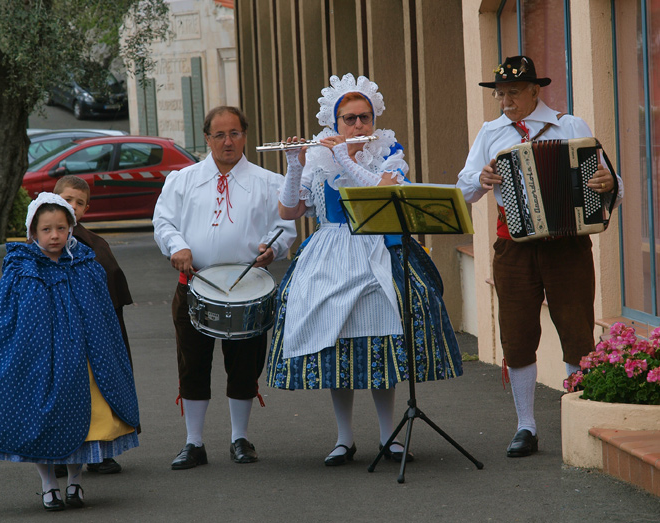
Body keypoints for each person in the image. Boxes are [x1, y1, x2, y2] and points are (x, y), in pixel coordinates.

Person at [267, 73, 463, 466]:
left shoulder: (389, 150)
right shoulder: (317, 159)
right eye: (349, 119)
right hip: (330, 248)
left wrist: (344, 158)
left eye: (364, 117)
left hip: (377, 246)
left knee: (380, 341)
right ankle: (344, 438)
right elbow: (289, 210)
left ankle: (389, 435)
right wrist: (294, 164)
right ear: (334, 123)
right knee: (337, 341)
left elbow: (384, 192)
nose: (358, 126)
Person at [456, 55, 623, 458]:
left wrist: (606, 182)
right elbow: (463, 190)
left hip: (567, 246)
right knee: (516, 335)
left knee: (577, 332)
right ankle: (526, 426)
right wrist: (480, 179)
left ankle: (575, 420)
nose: (505, 101)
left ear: (535, 90)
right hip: (514, 247)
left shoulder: (570, 126)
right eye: (499, 94)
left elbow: (612, 183)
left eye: (513, 92)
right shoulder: (491, 132)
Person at [0, 192, 140, 511]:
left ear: (71, 227)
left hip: (83, 361)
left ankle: (75, 482)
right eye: (46, 229)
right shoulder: (20, 268)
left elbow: (102, 316)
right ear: (33, 232)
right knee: (39, 421)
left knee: (86, 423)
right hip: (36, 361)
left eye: (61, 227)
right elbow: (4, 320)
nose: (55, 235)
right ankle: (48, 484)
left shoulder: (86, 264)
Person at [153, 106, 297, 470]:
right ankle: (193, 442)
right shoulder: (182, 180)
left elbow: (284, 228)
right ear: (207, 139)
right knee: (193, 364)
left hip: (248, 288)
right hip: (195, 285)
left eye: (234, 133)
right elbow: (163, 222)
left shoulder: (269, 182)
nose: (227, 142)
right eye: (219, 135)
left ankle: (239, 438)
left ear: (244, 135)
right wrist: (177, 247)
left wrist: (272, 248)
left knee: (245, 366)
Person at [54, 175, 135, 475]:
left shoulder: (96, 245)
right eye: (67, 199)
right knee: (59, 395)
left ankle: (100, 452)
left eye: (79, 202)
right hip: (58, 338)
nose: (72, 207)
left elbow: (111, 287)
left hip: (94, 337)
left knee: (97, 394)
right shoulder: (39, 242)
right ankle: (58, 454)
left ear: (87, 208)